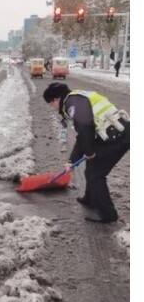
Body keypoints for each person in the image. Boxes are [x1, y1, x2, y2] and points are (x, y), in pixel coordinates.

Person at [43, 82, 129, 223]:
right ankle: (90, 199)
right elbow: (82, 136)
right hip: (113, 132)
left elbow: (85, 126)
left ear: (57, 99)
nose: (52, 108)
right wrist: (71, 161)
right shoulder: (76, 99)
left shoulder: (72, 103)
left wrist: (89, 151)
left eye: (51, 104)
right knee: (92, 166)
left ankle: (108, 214)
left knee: (95, 174)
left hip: (118, 136)